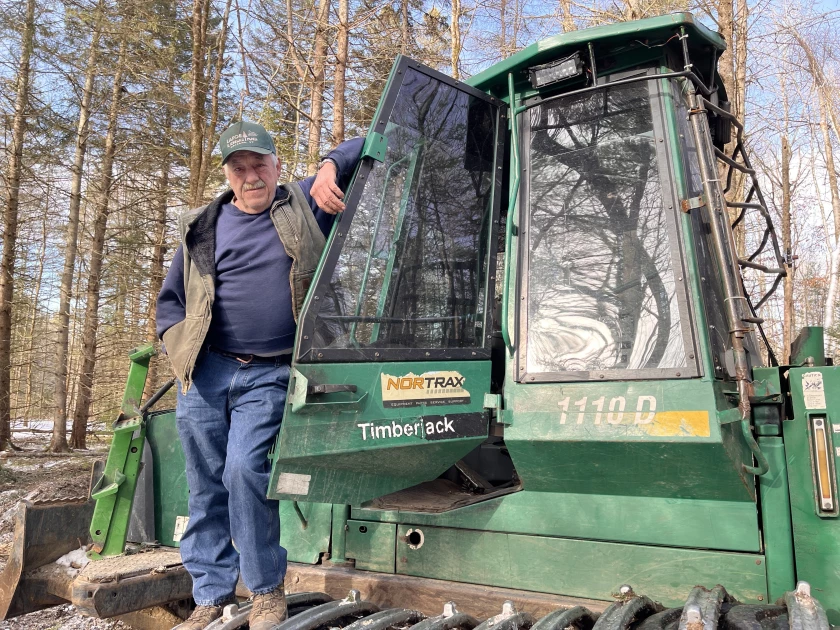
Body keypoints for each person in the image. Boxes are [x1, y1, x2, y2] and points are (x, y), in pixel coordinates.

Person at [156, 121, 363, 630]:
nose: (251, 177)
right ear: (227, 174)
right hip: (207, 371)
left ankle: (266, 589)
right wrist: (174, 341)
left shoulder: (303, 205)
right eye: (239, 168)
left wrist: (329, 166)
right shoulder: (202, 225)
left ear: (276, 164)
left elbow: (368, 141)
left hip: (268, 373)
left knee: (245, 471)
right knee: (204, 483)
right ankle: (210, 592)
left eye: (260, 165)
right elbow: (172, 301)